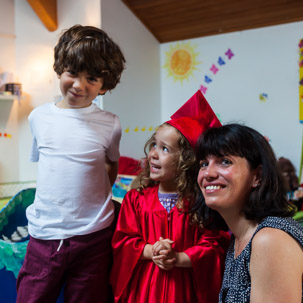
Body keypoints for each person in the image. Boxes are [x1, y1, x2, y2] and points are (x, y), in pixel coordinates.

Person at [16, 24, 126, 303]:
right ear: (60, 69)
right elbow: (49, 168)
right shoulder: (38, 117)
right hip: (45, 236)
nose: (79, 85)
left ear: (104, 84)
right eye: (72, 73)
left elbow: (110, 166)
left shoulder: (110, 123)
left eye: (91, 78)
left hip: (93, 237)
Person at [110, 91, 230, 303]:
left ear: (186, 161)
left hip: (183, 289)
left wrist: (178, 258)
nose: (154, 153)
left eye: (164, 148)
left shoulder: (201, 202)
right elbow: (123, 241)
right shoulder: (136, 200)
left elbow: (214, 245)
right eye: (154, 144)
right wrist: (153, 250)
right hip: (144, 289)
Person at [196, 123, 303, 303]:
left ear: (257, 176)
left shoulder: (270, 239)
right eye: (204, 164)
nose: (208, 173)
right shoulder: (238, 240)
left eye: (225, 161)